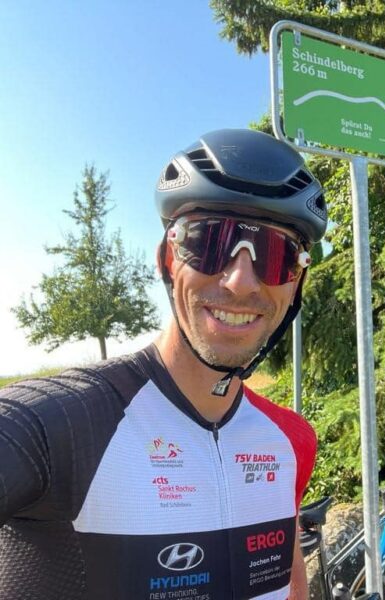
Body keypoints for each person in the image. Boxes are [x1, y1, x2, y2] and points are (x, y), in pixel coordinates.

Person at [0, 129, 327, 599]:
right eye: (210, 242)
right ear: (168, 259)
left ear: (295, 283)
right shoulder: (58, 427)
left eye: (275, 256)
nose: (240, 281)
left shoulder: (292, 440)